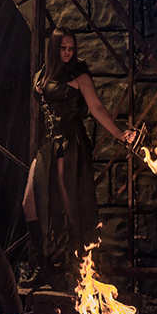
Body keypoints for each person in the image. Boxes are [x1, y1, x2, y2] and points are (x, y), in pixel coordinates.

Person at [21, 27, 136, 288]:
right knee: (29, 202)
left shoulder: (79, 74)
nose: (67, 52)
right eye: (63, 48)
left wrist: (120, 133)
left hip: (70, 144)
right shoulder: (43, 73)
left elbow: (96, 108)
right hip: (49, 145)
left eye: (71, 48)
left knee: (71, 206)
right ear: (54, 48)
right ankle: (44, 265)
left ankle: (78, 269)